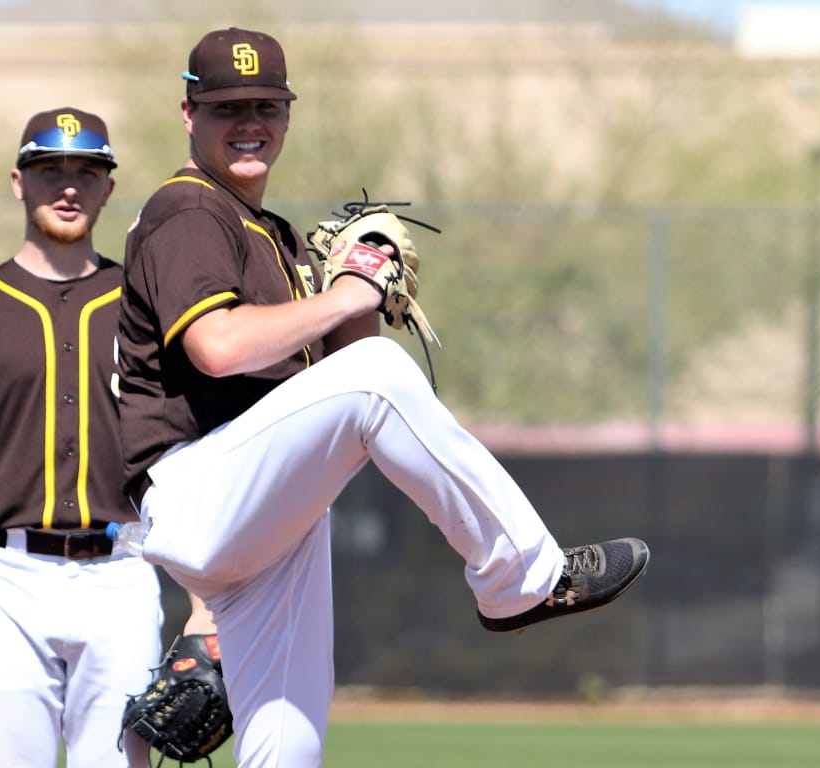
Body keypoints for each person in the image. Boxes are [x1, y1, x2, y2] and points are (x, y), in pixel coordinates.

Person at [115, 28, 651, 767]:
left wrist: (366, 288)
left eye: (266, 105)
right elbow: (220, 346)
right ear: (188, 113)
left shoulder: (270, 232)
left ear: (288, 115)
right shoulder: (188, 210)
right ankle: (520, 579)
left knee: (289, 744)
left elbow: (332, 370)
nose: (249, 122)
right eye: (226, 106)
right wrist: (344, 295)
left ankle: (517, 580)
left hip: (266, 511)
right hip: (197, 487)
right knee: (378, 373)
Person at [0, 108, 212, 768]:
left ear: (108, 187)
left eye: (86, 171)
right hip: (9, 578)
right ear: (19, 181)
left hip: (124, 571)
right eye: (50, 170)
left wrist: (205, 603)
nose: (68, 186)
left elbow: (184, 462)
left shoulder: (146, 306)